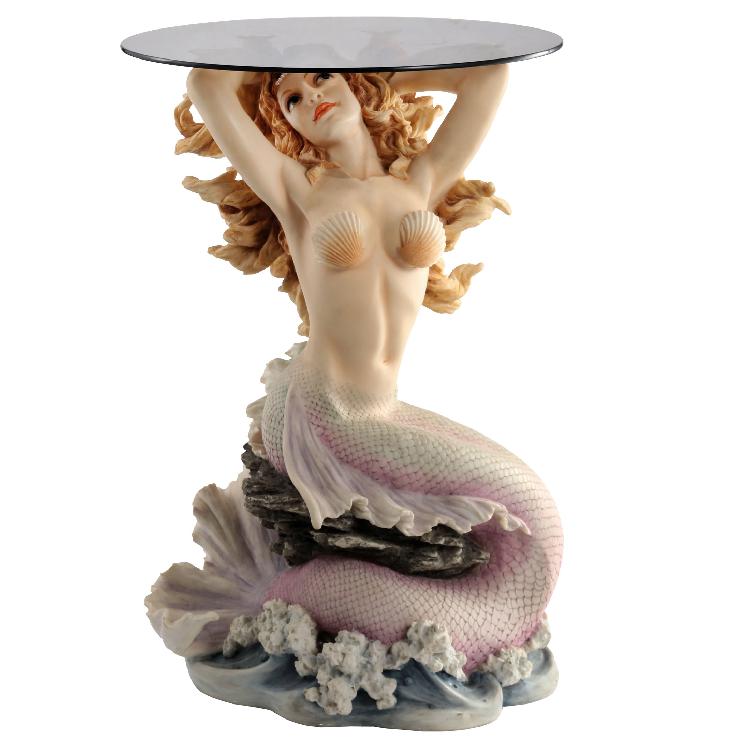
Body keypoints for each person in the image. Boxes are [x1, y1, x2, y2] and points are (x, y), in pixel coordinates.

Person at [150, 68, 563, 673]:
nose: (313, 96)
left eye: (323, 79)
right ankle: (293, 606)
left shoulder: (420, 180)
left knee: (535, 517)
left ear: (358, 89)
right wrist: (272, 58)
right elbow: (208, 86)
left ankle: (318, 601)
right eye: (292, 98)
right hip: (328, 409)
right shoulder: (297, 189)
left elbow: (488, 78)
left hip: (380, 406)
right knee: (527, 512)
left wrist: (377, 66)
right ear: (285, 121)